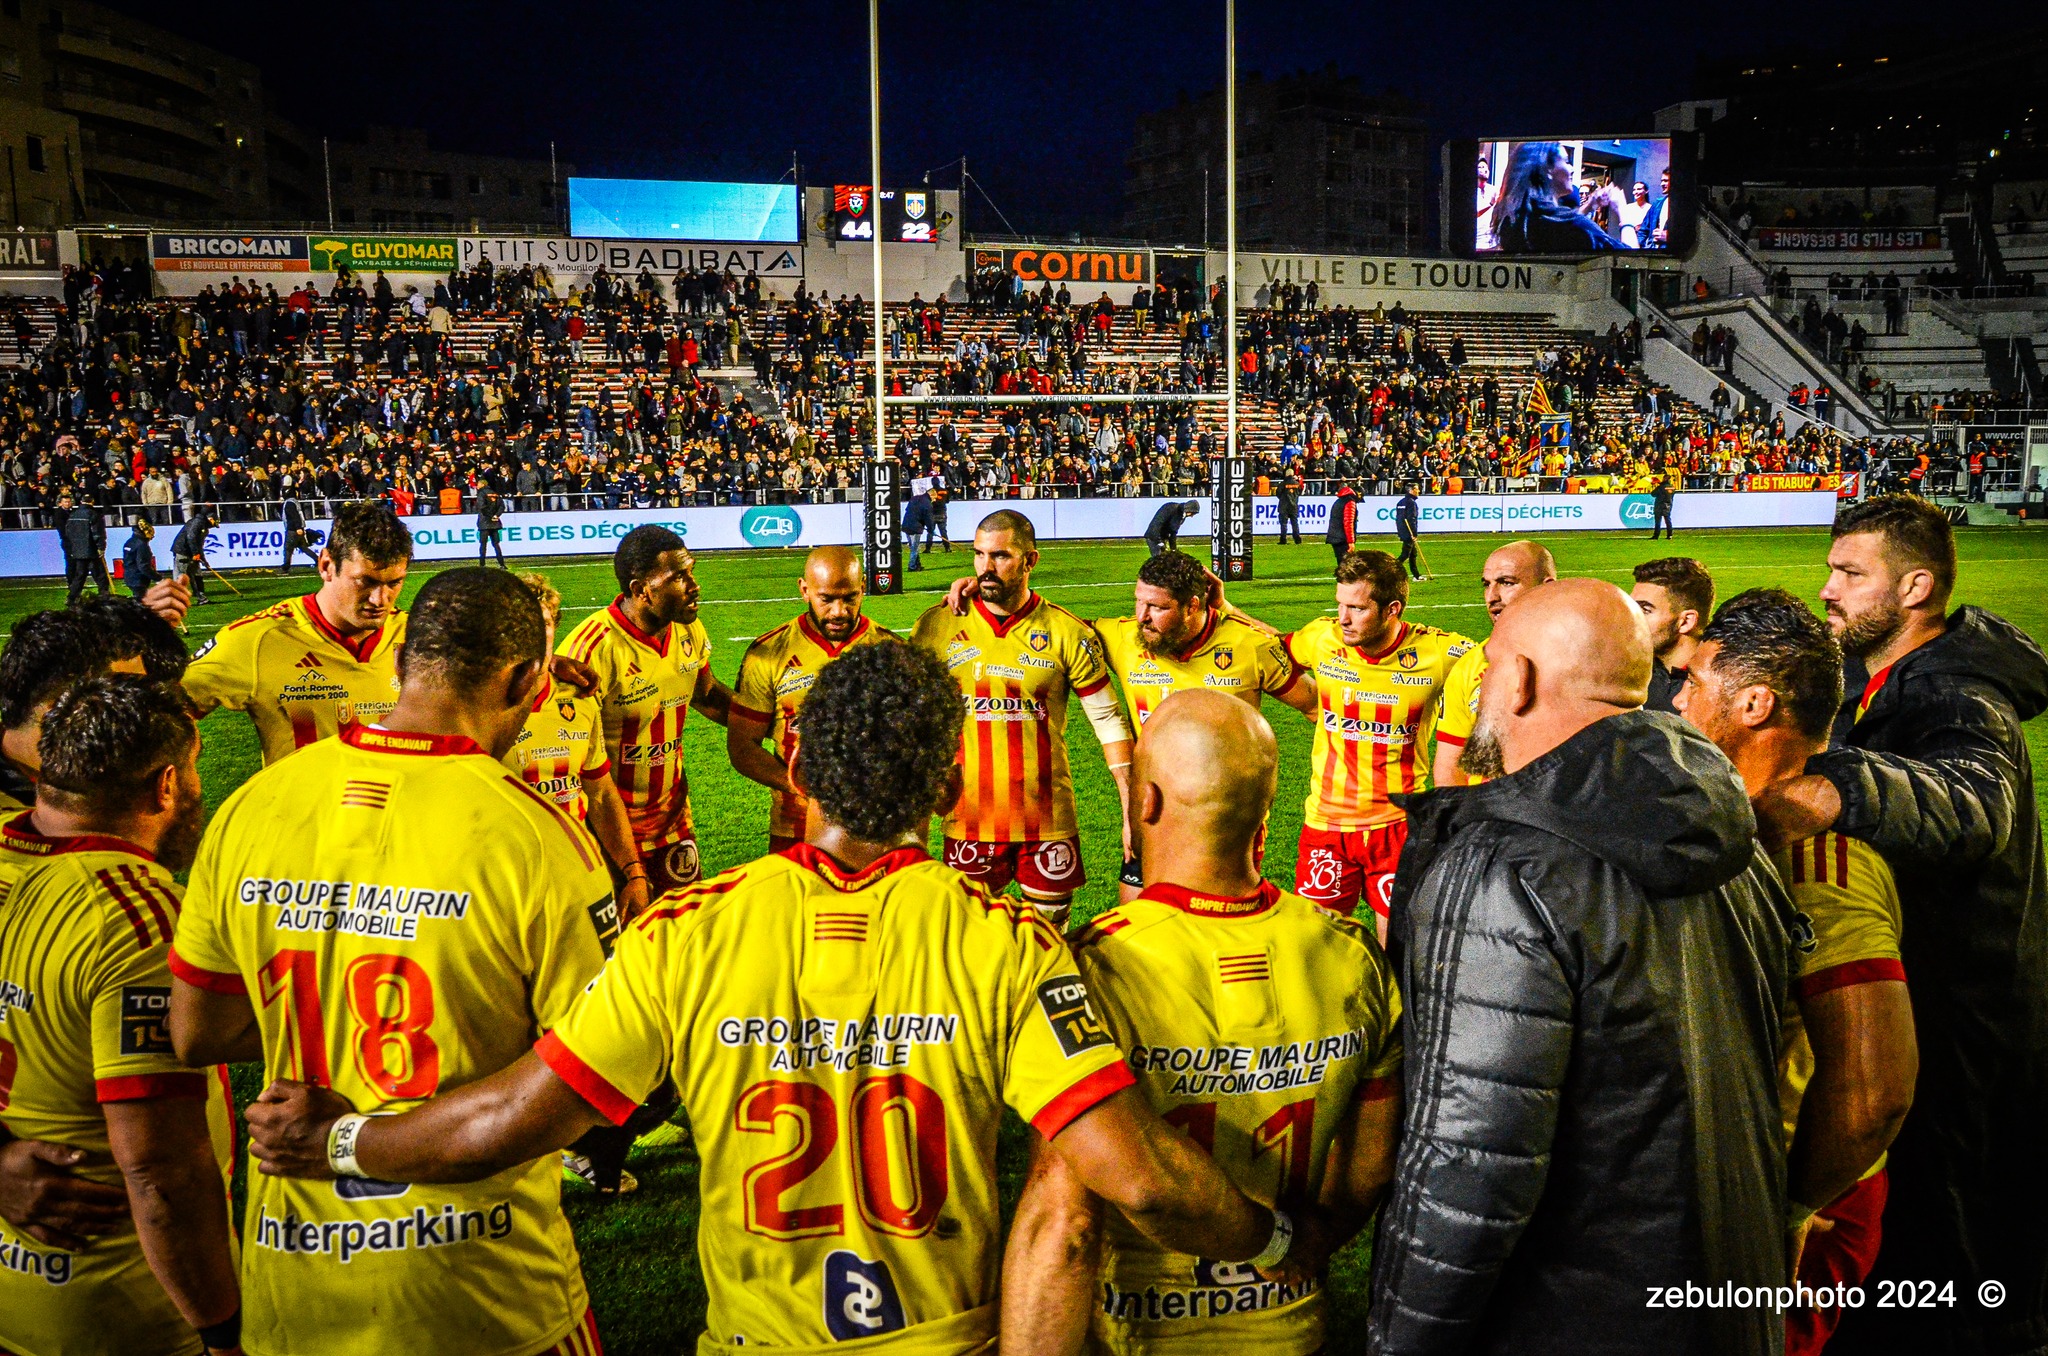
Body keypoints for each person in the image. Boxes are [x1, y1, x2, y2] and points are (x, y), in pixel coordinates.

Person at [240, 642, 1299, 1352]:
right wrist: (1270, 1241)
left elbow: (516, 1118)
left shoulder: (684, 930)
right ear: (945, 790)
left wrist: (343, 1142)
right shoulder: (1006, 939)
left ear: (795, 771)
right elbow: (1138, 1179)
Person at [168, 569, 620, 1356]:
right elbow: (582, 1088)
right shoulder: (538, 836)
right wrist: (352, 1137)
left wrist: (332, 1018)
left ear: (404, 660)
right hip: (484, 1292)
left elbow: (197, 1031)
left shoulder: (253, 808)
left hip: (296, 1289)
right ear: (526, 680)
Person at [1370, 579, 1793, 1356]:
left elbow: (1469, 1170)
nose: (1479, 688)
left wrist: (1399, 1342)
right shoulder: (1737, 835)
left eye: (1489, 667)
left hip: (1577, 1318)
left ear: (1519, 680)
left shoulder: (1503, 867)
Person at [1006, 689, 1405, 1353]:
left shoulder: (1090, 967)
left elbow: (1066, 1223)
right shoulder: (1353, 954)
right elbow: (1370, 1169)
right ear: (1265, 814)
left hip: (1138, 1335)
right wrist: (1302, 1246)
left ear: (1147, 802)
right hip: (1287, 1331)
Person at [1754, 496, 2048, 1356]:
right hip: (1915, 1017)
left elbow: (1977, 803)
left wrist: (1835, 788)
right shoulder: (1886, 680)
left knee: (1958, 1280)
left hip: (1965, 1041)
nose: (1828, 589)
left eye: (1851, 574)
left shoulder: (1956, 695)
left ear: (1915, 587)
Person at [1674, 590, 1917, 1356]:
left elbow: (1875, 1091)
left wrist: (1788, 1211)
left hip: (1793, 1202)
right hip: (1727, 1183)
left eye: (1693, 682)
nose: (1676, 700)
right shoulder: (1735, 830)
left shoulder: (1820, 864)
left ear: (1753, 704)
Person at [0, 676, 241, 1356]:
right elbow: (161, 1171)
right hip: (117, 1307)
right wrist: (222, 1333)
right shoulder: (134, 917)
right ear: (167, 784)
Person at [910, 510, 1133, 929]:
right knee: (969, 940)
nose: (986, 567)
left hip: (1047, 818)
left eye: (1000, 556)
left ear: (1030, 561)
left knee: (1049, 941)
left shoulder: (1067, 631)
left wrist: (1129, 811)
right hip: (969, 817)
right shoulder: (937, 626)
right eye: (979, 555)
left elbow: (1109, 722)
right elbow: (913, 722)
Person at [1091, 550, 1317, 898]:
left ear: (1192, 606)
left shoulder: (1248, 645)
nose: (1142, 617)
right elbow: (1055, 631)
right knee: (1139, 919)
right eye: (1139, 602)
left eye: (1158, 607)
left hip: (1227, 819)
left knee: (1220, 920)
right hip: (1152, 812)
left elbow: (1317, 706)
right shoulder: (1123, 638)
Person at [1284, 549, 1473, 929]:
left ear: (1392, 609)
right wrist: (1226, 610)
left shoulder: (1439, 652)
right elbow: (1268, 649)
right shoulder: (1322, 638)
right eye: (1340, 604)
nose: (1343, 618)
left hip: (1398, 826)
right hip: (1326, 825)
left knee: (1397, 946)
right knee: (1318, 942)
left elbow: (1497, 660)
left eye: (1357, 608)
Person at [559, 525, 737, 896]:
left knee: (684, 924)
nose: (694, 586)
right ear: (642, 590)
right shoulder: (592, 650)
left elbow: (706, 696)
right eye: (679, 577)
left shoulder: (688, 631)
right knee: (624, 929)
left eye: (691, 572)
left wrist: (778, 726)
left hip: (671, 819)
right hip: (606, 827)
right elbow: (569, 753)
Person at [182, 503, 411, 767]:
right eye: (365, 581)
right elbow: (159, 709)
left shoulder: (417, 636)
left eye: (394, 583)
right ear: (326, 565)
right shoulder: (258, 639)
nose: (380, 599)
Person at [729, 545, 892, 853]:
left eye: (850, 598)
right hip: (793, 831)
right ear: (804, 590)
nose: (839, 611)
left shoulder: (891, 651)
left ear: (863, 588)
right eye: (826, 599)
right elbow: (742, 747)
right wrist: (800, 785)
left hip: (871, 833)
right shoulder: (768, 653)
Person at [1431, 540, 1557, 789]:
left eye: (1507, 583)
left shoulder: (1581, 660)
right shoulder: (1469, 666)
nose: (1492, 597)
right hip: (1487, 812)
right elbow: (1449, 770)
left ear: (1546, 588)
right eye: (1487, 584)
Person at [1491, 141, 1622, 254]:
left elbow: (1558, 225)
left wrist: (1589, 206)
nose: (1572, 169)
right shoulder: (1573, 226)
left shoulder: (1514, 221)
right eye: (1566, 161)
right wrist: (1623, 213)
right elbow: (1627, 257)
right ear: (1547, 168)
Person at [1631, 556, 1714, 714]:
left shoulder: (1717, 688)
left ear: (1686, 622)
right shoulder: (1630, 671)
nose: (1632, 618)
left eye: (1645, 610)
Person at [58, 490, 110, 606]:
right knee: (100, 575)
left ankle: (72, 597)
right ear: (92, 502)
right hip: (91, 550)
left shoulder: (73, 515)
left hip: (78, 550)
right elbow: (97, 533)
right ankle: (104, 597)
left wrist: (73, 548)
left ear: (81, 501)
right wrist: (101, 547)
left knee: (80, 575)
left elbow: (68, 532)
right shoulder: (94, 515)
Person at [172, 513, 212, 606]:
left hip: (190, 552)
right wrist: (195, 553)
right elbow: (191, 537)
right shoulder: (197, 522)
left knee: (197, 575)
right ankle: (176, 601)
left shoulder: (202, 526)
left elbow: (199, 545)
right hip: (182, 552)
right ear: (211, 519)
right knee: (180, 577)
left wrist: (203, 560)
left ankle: (202, 598)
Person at [277, 496, 319, 574]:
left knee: (288, 549)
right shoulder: (294, 502)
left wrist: (298, 527)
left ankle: (285, 567)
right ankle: (318, 560)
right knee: (304, 547)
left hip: (293, 530)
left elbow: (294, 516)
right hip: (297, 529)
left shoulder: (289, 503)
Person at [1392, 483, 1423, 580]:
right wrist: (1414, 533)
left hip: (1402, 530)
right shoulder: (1411, 503)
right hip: (1409, 531)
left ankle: (1416, 575)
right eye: (1417, 489)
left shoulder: (1401, 502)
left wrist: (1400, 531)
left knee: (1413, 553)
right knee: (1405, 554)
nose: (1419, 491)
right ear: (1411, 490)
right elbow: (1411, 519)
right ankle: (1390, 570)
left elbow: (1398, 519)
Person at [902, 484, 935, 572]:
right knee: (915, 548)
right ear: (931, 495)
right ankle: (912, 566)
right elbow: (929, 519)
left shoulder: (914, 498)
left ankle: (917, 564)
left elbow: (908, 510)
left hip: (906, 525)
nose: (934, 500)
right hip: (915, 528)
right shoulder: (928, 504)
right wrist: (931, 530)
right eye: (934, 498)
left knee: (913, 547)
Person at [1324, 483, 1359, 568]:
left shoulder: (1339, 501)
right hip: (1342, 538)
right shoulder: (1349, 502)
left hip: (1334, 536)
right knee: (1346, 565)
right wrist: (1350, 541)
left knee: (1341, 563)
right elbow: (1348, 523)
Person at [123, 516, 159, 596]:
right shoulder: (142, 545)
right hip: (139, 579)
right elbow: (143, 566)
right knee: (141, 599)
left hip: (129, 576)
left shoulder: (129, 542)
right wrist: (157, 578)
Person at [476, 484, 506, 567]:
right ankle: (502, 564)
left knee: (483, 545)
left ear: (482, 484)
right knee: (496, 544)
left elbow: (482, 507)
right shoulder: (495, 493)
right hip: (494, 523)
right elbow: (502, 506)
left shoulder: (481, 493)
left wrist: (491, 516)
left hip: (484, 522)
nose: (477, 486)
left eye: (478, 484)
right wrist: (496, 515)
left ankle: (482, 564)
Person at [1277, 466, 1304, 544]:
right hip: (1294, 506)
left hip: (1284, 506)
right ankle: (1297, 539)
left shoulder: (1283, 484)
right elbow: (1299, 492)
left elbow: (1278, 493)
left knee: (1283, 524)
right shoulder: (1297, 484)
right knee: (1295, 523)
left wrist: (1283, 499)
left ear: (1286, 474)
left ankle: (1283, 539)